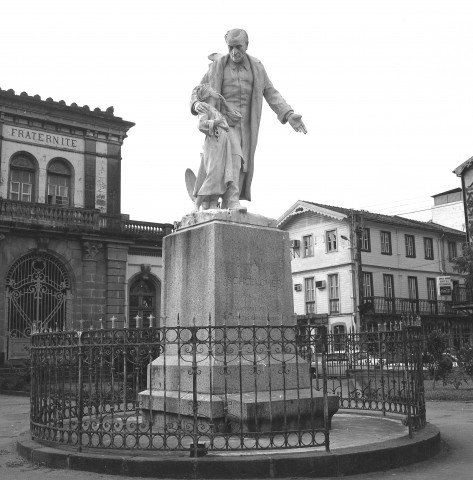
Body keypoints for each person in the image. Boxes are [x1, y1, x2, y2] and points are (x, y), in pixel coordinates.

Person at [190, 28, 307, 211]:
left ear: (247, 45)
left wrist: (288, 114)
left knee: (242, 164)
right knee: (235, 157)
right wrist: (195, 104)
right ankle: (233, 199)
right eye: (230, 47)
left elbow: (270, 91)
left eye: (238, 47)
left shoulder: (257, 67)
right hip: (224, 122)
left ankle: (225, 201)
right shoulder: (218, 66)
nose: (234, 51)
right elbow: (198, 90)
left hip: (247, 124)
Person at [192, 83, 242, 211]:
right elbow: (201, 125)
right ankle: (197, 203)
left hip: (223, 144)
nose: (216, 90)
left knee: (220, 175)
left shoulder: (217, 110)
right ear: (208, 94)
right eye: (213, 90)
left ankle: (214, 204)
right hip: (213, 143)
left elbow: (237, 118)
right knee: (213, 173)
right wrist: (216, 122)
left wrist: (224, 104)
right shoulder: (206, 108)